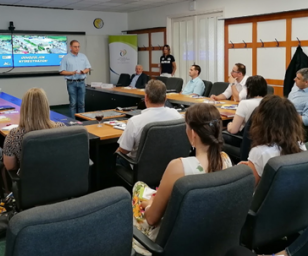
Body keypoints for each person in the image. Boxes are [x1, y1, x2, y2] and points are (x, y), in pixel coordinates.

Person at [132, 103, 232, 255]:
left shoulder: (179, 167)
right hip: (208, 236)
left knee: (138, 188)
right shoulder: (226, 160)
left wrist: (148, 205)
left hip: (171, 240)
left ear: (193, 134)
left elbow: (152, 219)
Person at [240, 95, 306, 185]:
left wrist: (240, 173)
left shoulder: (259, 152)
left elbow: (248, 187)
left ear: (262, 120)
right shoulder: (300, 146)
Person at [117, 79, 182, 163]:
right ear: (165, 98)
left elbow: (124, 150)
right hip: (170, 166)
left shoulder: (135, 121)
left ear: (146, 98)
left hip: (140, 169)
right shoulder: (177, 116)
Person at [3, 88, 65, 171]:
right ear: (46, 106)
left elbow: (10, 167)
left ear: (24, 108)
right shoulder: (61, 129)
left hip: (29, 182)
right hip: (61, 179)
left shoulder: (14, 134)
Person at [59, 40, 91, 117]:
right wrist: (71, 73)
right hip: (71, 82)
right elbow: (61, 71)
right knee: (73, 103)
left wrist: (84, 71)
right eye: (75, 47)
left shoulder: (83, 56)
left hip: (81, 82)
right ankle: (73, 121)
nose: (77, 48)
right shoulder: (66, 58)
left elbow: (88, 68)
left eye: (78, 47)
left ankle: (82, 120)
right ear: (71, 47)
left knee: (82, 103)